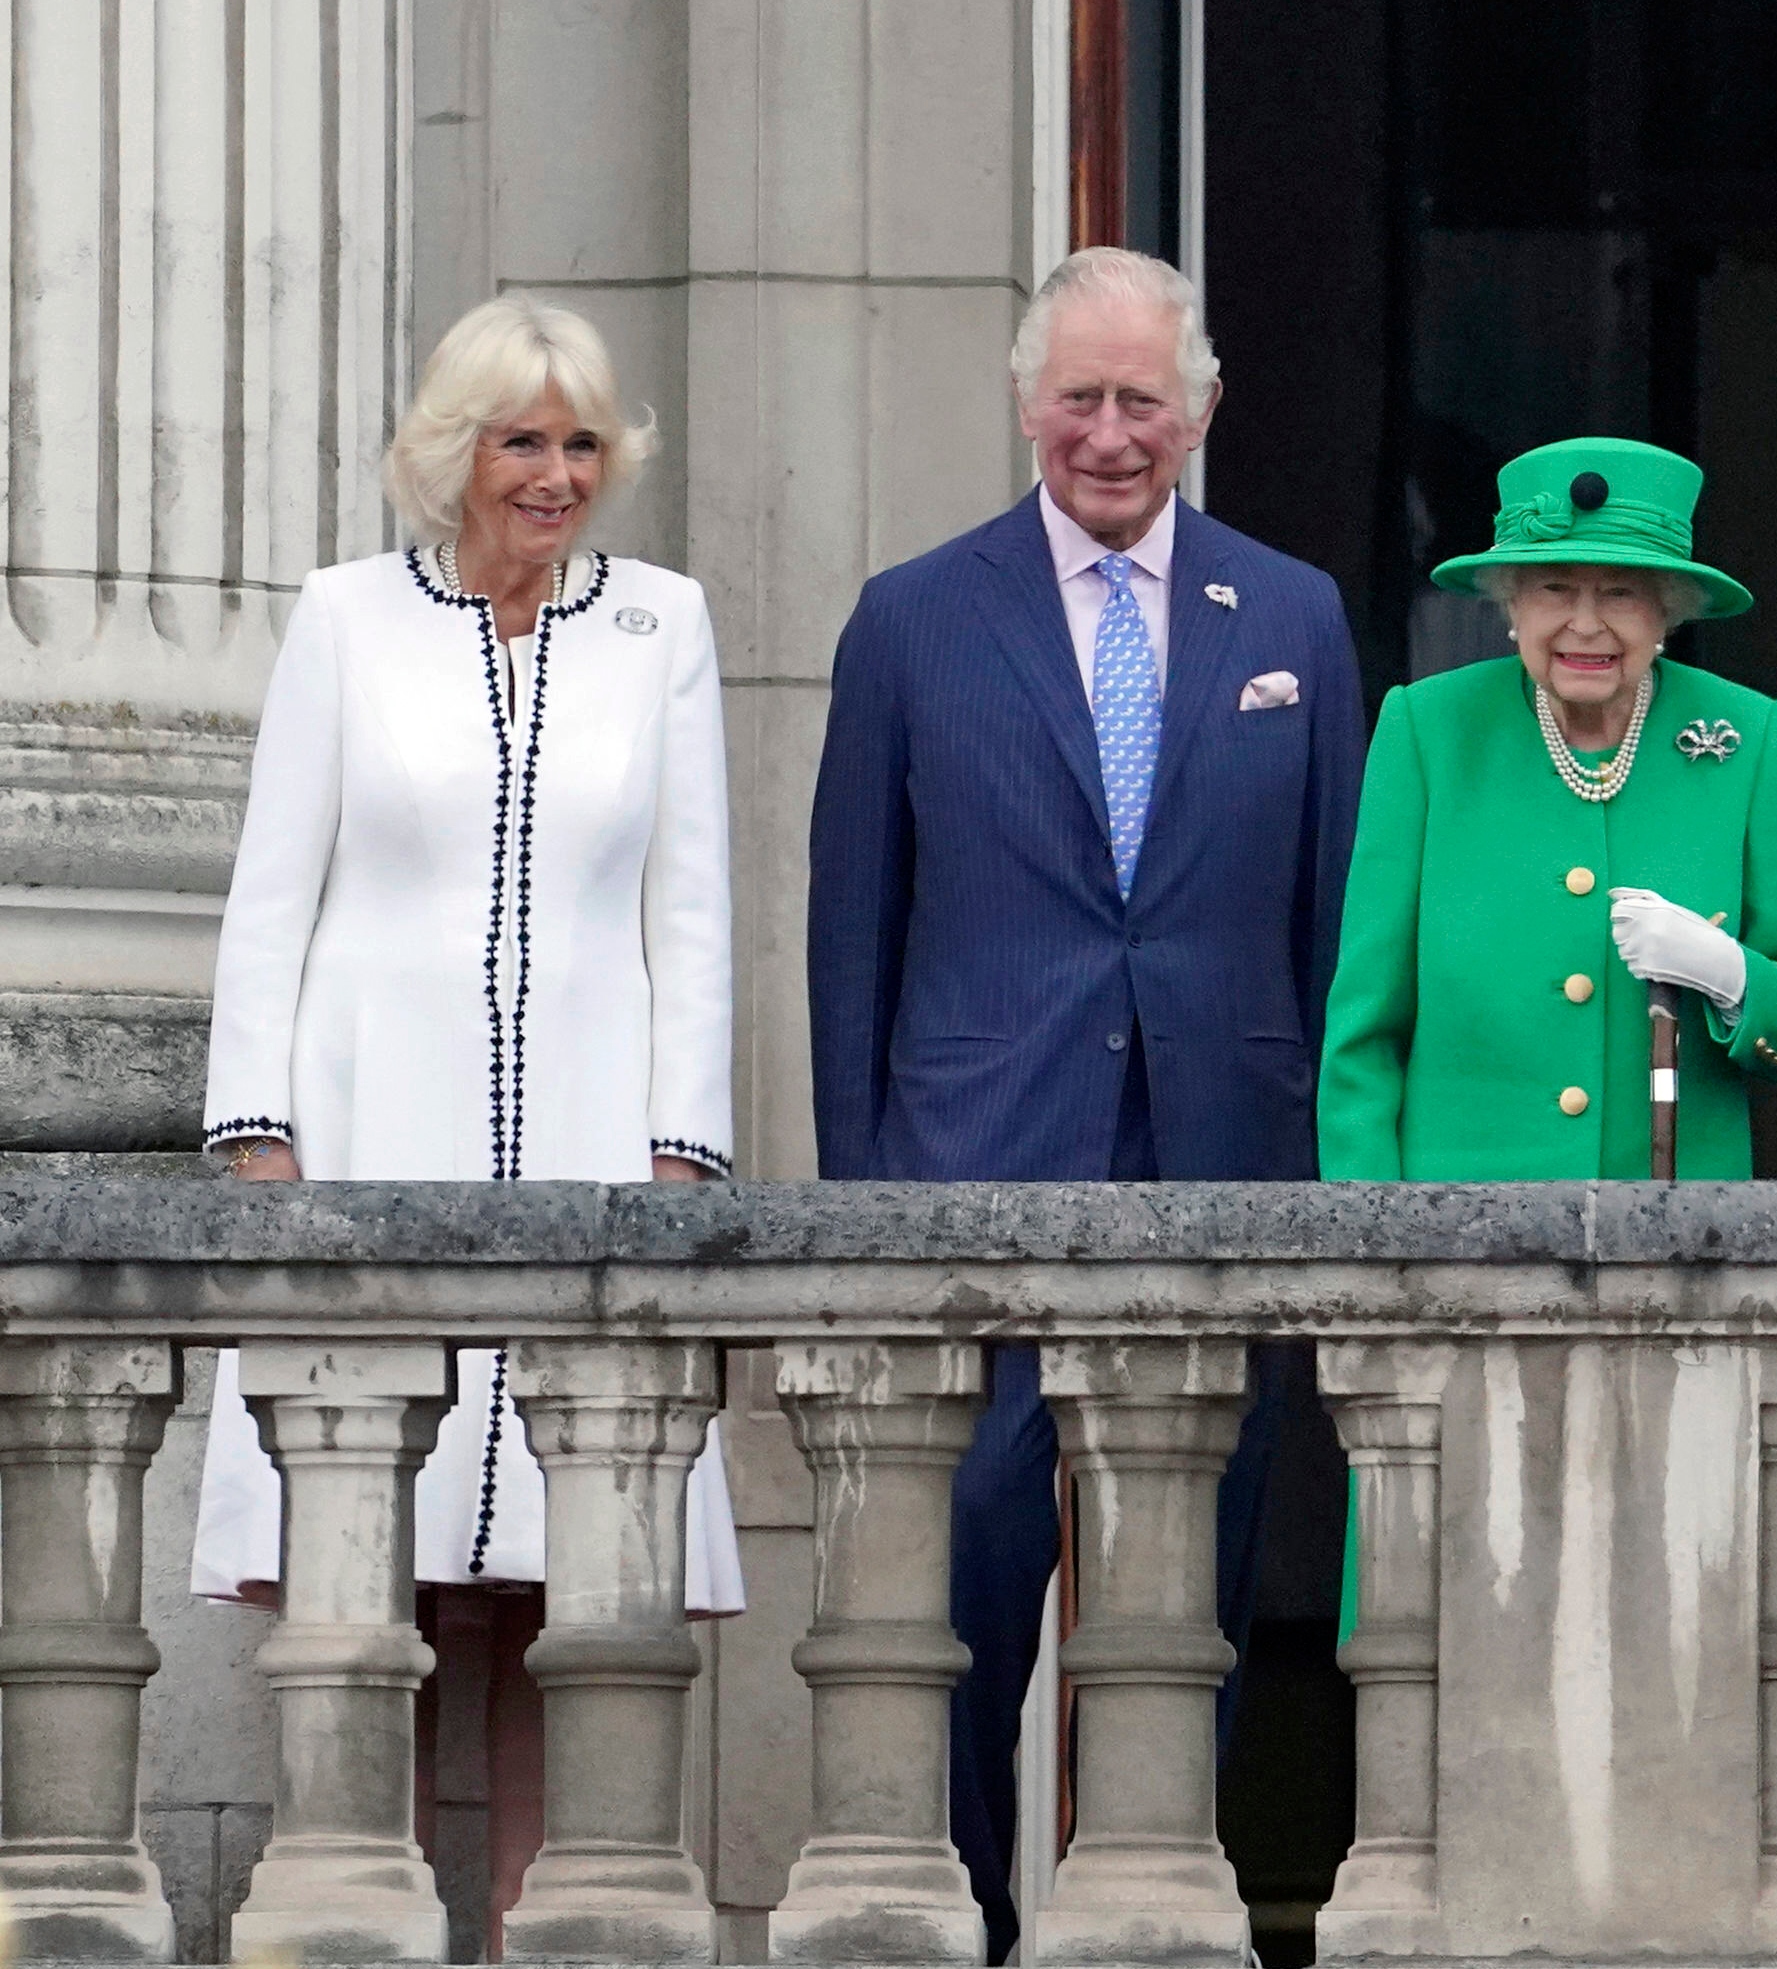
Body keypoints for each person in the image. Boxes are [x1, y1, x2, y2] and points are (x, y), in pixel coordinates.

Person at [805, 246, 1366, 1960]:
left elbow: (1334, 920)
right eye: (1080, 397)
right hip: (974, 1175)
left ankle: (1149, 1907)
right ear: (1025, 400)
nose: (1109, 434)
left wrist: (1328, 1188)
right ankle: (970, 1904)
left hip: (1225, 1169)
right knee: (965, 1570)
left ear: (1198, 410)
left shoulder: (1294, 615)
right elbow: (852, 931)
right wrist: (862, 1207)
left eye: (1142, 400)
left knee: (1177, 1588)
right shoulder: (913, 613)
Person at [193, 294, 744, 1948]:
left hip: (588, 1142)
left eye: (581, 441)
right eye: (524, 439)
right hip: (376, 1132)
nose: (558, 473)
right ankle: (360, 1916)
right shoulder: (346, 619)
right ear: (458, 452)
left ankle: (532, 1921)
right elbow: (271, 892)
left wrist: (675, 1159)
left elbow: (693, 910)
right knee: (380, 1565)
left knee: (556, 1581)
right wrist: (260, 1140)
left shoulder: (665, 623)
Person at [1318, 436, 1777, 1181]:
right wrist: (1374, 1244)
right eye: (1556, 588)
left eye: (1622, 592)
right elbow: (1364, 1036)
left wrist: (1731, 976)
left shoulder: (1751, 739)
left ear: (1669, 611)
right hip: (1457, 1237)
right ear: (1512, 602)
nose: (1587, 625)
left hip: (1673, 1242)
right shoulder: (1429, 732)